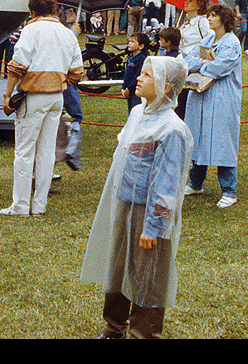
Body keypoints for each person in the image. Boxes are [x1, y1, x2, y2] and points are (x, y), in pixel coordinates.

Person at [80, 55, 193, 339]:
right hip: (125, 204)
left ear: (167, 87)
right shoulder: (138, 114)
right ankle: (113, 328)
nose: (139, 78)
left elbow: (167, 184)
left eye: (147, 75)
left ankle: (144, 332)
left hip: (148, 213)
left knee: (148, 274)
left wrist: (154, 227)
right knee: (118, 266)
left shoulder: (172, 129)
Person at [1, 0, 84, 216]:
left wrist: (8, 95)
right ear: (55, 10)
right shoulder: (67, 34)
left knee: (25, 152)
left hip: (33, 96)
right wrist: (61, 83)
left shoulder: (31, 30)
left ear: (32, 11)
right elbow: (77, 71)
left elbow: (17, 66)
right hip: (56, 97)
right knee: (46, 152)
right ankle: (39, 205)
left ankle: (20, 205)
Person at [183, 4, 242, 209]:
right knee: (198, 137)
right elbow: (189, 59)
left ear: (224, 20)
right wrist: (202, 62)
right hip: (200, 95)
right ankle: (196, 182)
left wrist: (202, 63)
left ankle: (229, 190)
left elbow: (220, 67)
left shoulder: (232, 44)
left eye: (214, 16)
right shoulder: (208, 39)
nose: (209, 18)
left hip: (222, 98)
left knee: (221, 140)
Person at [121, 33, 150, 113]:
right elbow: (127, 75)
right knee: (130, 112)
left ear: (141, 46)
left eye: (133, 41)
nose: (129, 43)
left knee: (136, 112)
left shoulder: (141, 59)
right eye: (129, 41)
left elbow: (137, 76)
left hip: (136, 92)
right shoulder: (131, 59)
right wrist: (123, 87)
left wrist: (129, 88)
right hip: (129, 91)